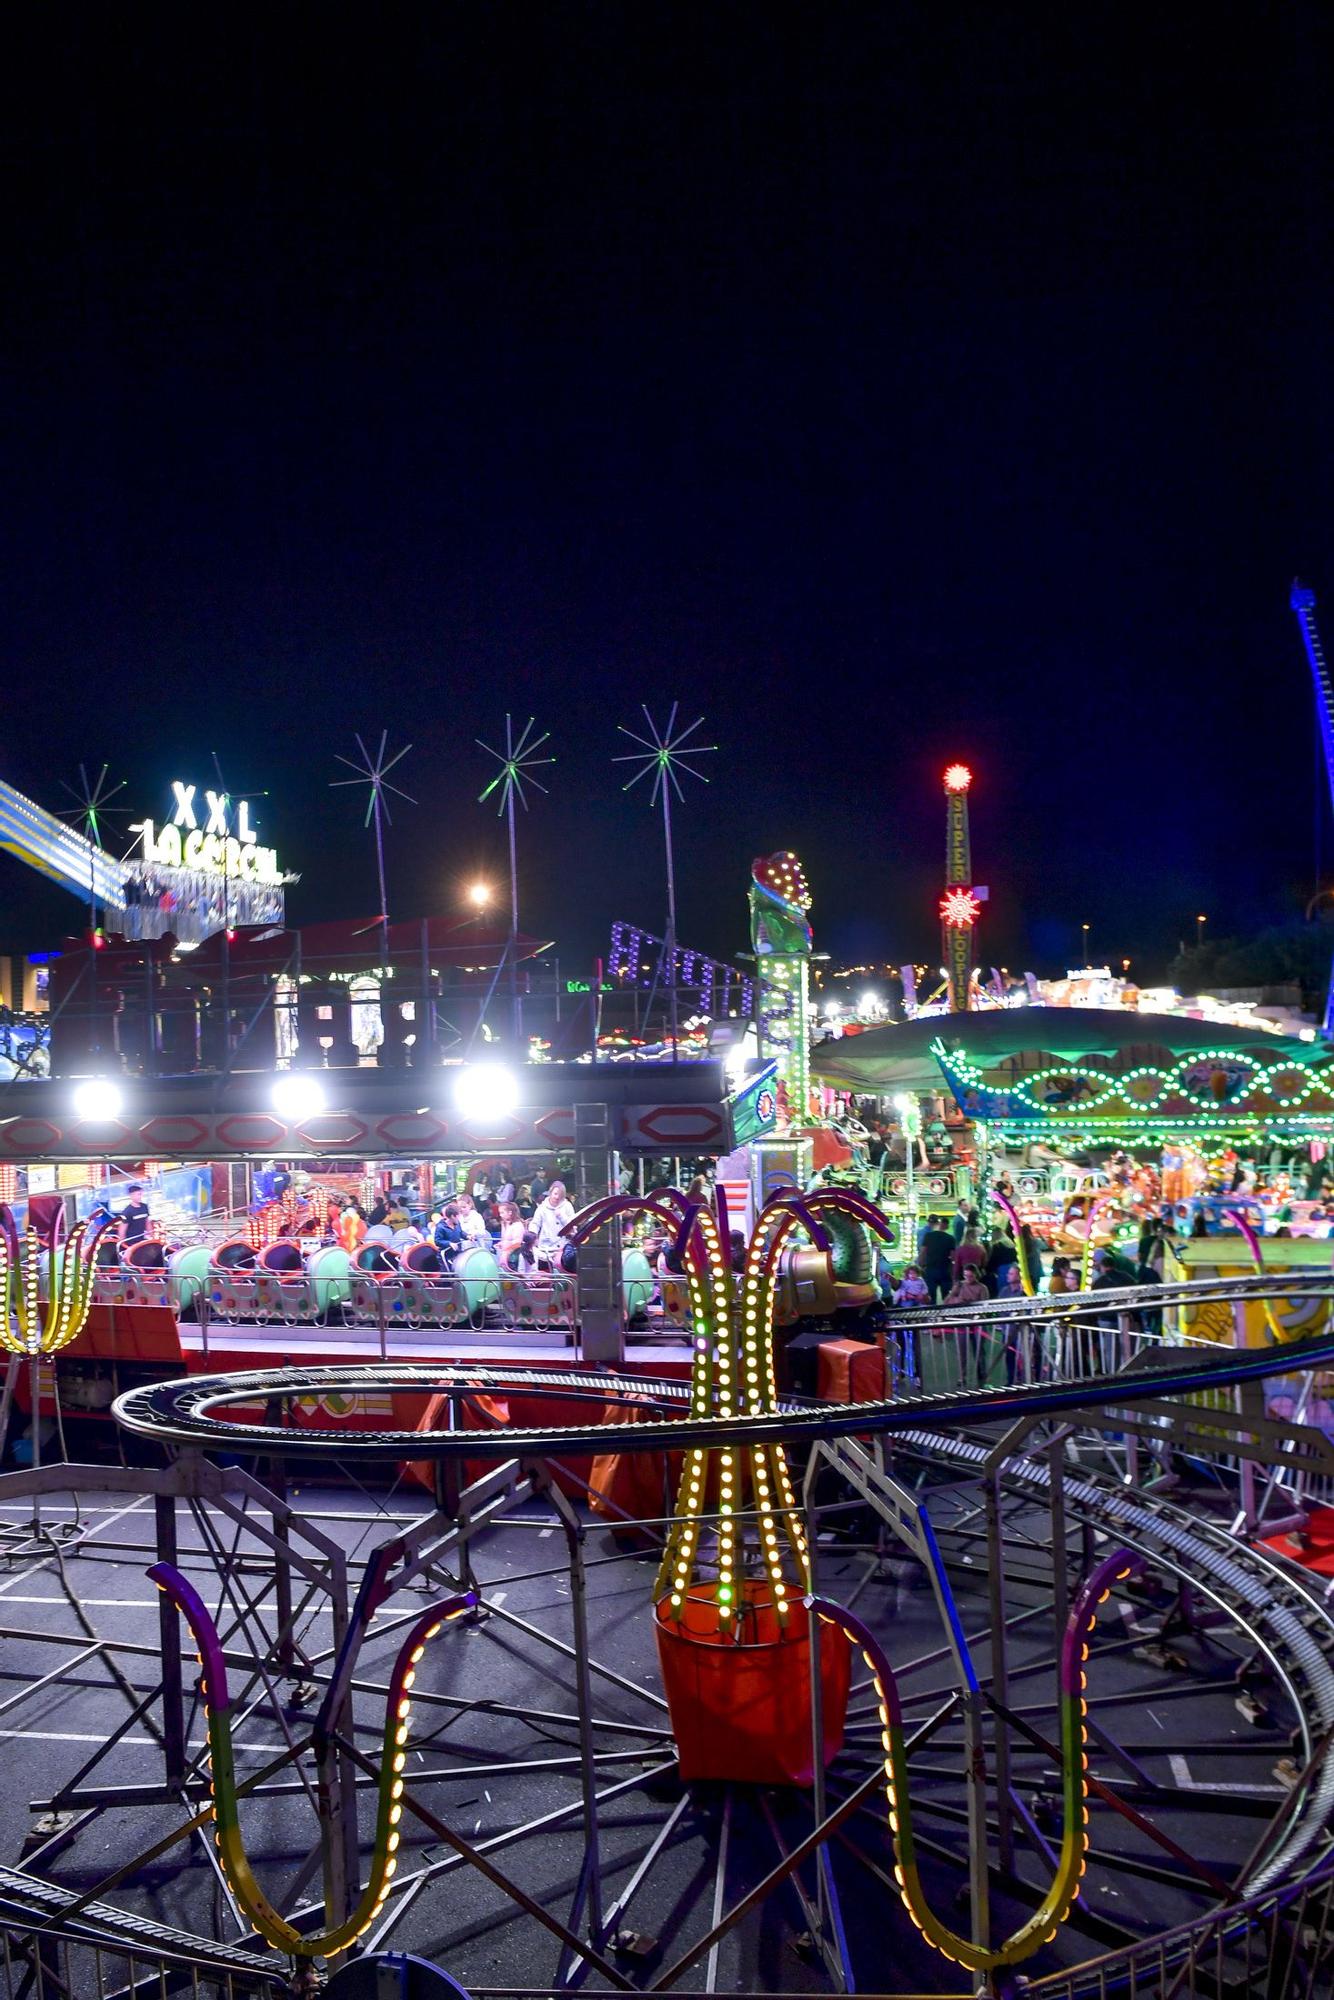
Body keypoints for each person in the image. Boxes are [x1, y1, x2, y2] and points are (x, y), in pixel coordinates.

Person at [533, 1178, 575, 1267]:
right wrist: (532, 1236)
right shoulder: (542, 1207)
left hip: (563, 1250)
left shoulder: (567, 1206)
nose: (557, 1197)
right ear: (550, 1192)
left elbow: (572, 1225)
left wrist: (561, 1216)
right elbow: (535, 1223)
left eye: (560, 1195)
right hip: (545, 1249)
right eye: (555, 1194)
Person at [918, 1214, 955, 1304]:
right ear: (947, 1226)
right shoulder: (950, 1238)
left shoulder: (929, 1236)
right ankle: (946, 1314)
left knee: (931, 1296)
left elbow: (923, 1252)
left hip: (930, 1268)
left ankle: (932, 1315)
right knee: (946, 1297)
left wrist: (921, 1266)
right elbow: (953, 1256)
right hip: (945, 1269)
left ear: (939, 1224)